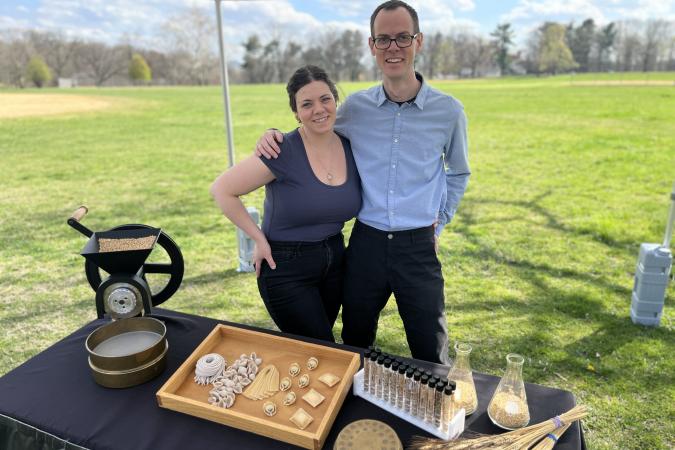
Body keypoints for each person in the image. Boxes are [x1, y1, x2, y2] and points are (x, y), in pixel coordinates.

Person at [255, 1, 470, 364]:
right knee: (354, 338)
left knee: (430, 345)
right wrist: (274, 135)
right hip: (365, 243)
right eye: (383, 39)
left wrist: (440, 222)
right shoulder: (355, 108)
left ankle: (435, 413)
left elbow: (459, 172)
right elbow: (314, 127)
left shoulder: (448, 111)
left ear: (419, 41)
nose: (393, 48)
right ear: (372, 46)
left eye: (403, 37)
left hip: (418, 246)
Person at [210, 65, 361, 342]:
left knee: (318, 350)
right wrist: (258, 238)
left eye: (325, 99)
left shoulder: (351, 146)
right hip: (286, 267)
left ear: (335, 100)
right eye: (307, 104)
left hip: (335, 261)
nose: (319, 109)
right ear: (296, 112)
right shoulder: (282, 150)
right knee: (321, 347)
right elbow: (222, 189)